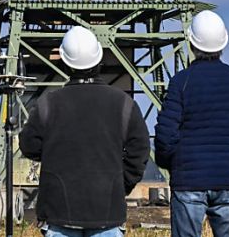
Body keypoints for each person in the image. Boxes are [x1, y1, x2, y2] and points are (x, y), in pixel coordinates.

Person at [19, 26, 150, 237]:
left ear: (64, 61)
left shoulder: (47, 105)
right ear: (99, 59)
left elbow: (28, 145)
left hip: (58, 210)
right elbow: (140, 149)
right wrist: (119, 183)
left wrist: (54, 155)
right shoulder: (124, 104)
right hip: (107, 212)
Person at [154, 10, 229, 237]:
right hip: (226, 179)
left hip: (188, 182)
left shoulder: (181, 82)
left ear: (191, 42)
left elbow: (165, 136)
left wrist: (174, 162)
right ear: (223, 43)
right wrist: (228, 155)